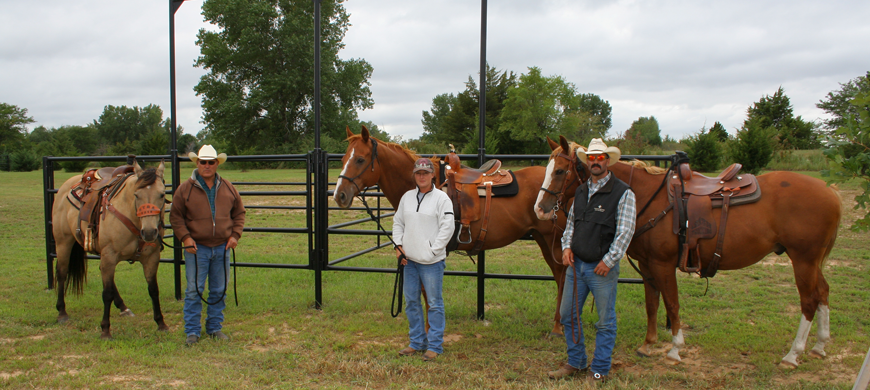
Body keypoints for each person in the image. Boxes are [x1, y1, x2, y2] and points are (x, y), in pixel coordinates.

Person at [547, 138, 636, 383]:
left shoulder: (623, 192)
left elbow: (625, 231)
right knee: (567, 315)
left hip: (601, 269)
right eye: (592, 158)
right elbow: (571, 226)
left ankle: (599, 369)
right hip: (577, 266)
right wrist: (566, 247)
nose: (596, 162)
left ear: (607, 160)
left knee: (605, 321)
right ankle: (576, 362)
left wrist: (609, 260)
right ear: (588, 162)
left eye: (600, 158)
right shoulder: (582, 190)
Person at [170, 145, 246, 345]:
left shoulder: (228, 187)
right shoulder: (184, 189)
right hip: (197, 248)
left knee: (219, 289)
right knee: (194, 290)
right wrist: (186, 238)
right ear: (197, 163)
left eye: (211, 162)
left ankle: (214, 328)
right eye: (203, 161)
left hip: (222, 246)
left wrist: (235, 236)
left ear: (216, 164)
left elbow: (239, 213)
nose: (207, 165)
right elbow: (176, 216)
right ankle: (192, 331)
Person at [392, 158, 455, 362]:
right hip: (409, 260)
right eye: (418, 173)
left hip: (431, 262)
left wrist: (433, 250)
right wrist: (398, 246)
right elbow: (398, 222)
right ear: (414, 175)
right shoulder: (407, 198)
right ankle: (417, 342)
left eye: (425, 173)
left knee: (435, 303)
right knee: (411, 301)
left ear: (432, 175)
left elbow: (448, 227)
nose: (421, 176)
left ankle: (435, 345)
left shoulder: (442, 199)